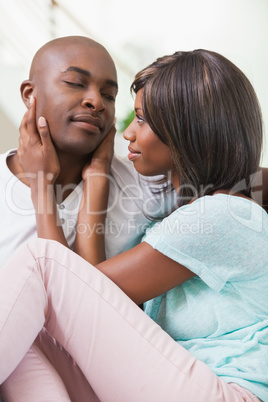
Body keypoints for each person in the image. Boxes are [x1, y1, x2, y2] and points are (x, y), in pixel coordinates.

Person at [0, 49, 267, 402]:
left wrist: (48, 188)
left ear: (188, 130)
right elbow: (85, 302)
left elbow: (77, 293)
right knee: (26, 336)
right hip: (171, 382)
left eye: (140, 119)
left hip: (226, 392)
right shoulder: (190, 210)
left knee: (41, 261)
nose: (126, 133)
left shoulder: (220, 216)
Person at [0, 36, 173, 401]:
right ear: (30, 94)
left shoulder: (143, 183)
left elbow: (243, 178)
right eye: (76, 83)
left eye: (109, 95)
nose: (96, 101)